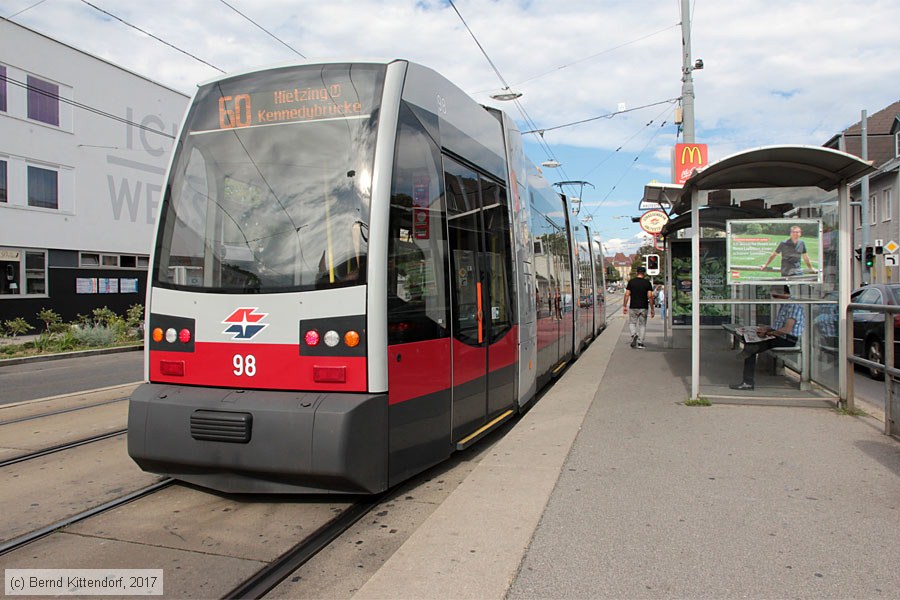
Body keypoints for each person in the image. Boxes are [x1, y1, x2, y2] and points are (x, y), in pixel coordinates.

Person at [730, 285, 805, 390]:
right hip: (778, 335)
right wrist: (766, 330)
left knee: (750, 348)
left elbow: (787, 330)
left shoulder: (793, 306)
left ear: (785, 294)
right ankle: (747, 379)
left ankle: (748, 382)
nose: (774, 298)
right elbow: (779, 327)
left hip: (787, 339)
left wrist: (769, 333)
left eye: (775, 295)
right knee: (749, 341)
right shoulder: (784, 305)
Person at [623, 266, 654, 349]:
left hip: (633, 306)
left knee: (632, 323)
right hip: (644, 307)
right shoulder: (647, 283)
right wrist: (652, 309)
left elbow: (627, 294)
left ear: (637, 272)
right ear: (644, 273)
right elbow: (650, 296)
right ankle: (640, 343)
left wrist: (625, 306)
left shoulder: (631, 282)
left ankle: (634, 335)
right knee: (642, 325)